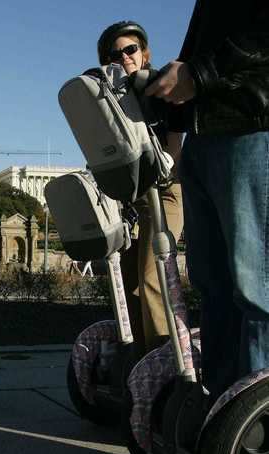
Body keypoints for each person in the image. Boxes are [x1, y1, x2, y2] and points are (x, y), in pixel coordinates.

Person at [144, 2, 269, 402]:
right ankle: (222, 412)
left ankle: (254, 427)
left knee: (257, 289)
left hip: (252, 126)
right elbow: (200, 45)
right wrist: (173, 115)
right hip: (207, 134)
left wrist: (199, 74)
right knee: (214, 288)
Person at [97, 21, 185, 356]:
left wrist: (166, 168)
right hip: (133, 196)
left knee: (154, 276)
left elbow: (175, 145)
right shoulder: (111, 99)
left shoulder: (164, 88)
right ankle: (138, 360)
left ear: (144, 53)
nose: (124, 57)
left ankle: (164, 362)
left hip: (166, 189)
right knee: (128, 283)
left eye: (130, 49)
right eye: (115, 54)